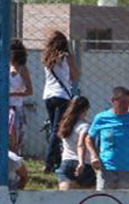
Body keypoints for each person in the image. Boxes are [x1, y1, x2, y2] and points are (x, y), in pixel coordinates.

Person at [85, 86, 129, 190]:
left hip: (128, 168)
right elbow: (89, 138)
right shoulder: (101, 118)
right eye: (123, 102)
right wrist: (94, 155)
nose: (126, 106)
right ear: (114, 101)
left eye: (128, 102)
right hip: (106, 167)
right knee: (104, 199)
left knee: (126, 201)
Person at [42, 30, 78, 172]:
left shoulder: (47, 58)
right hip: (62, 95)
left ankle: (56, 161)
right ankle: (49, 162)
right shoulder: (66, 57)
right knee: (58, 130)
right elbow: (76, 75)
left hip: (48, 95)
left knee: (53, 128)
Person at [55, 95, 95, 190]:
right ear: (85, 109)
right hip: (84, 163)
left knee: (66, 199)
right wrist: (81, 162)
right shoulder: (85, 126)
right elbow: (81, 144)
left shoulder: (65, 125)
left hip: (66, 162)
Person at [7, 41, 32, 156]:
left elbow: (29, 91)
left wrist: (11, 94)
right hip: (3, 107)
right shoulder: (4, 67)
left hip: (15, 107)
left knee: (14, 137)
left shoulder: (22, 69)